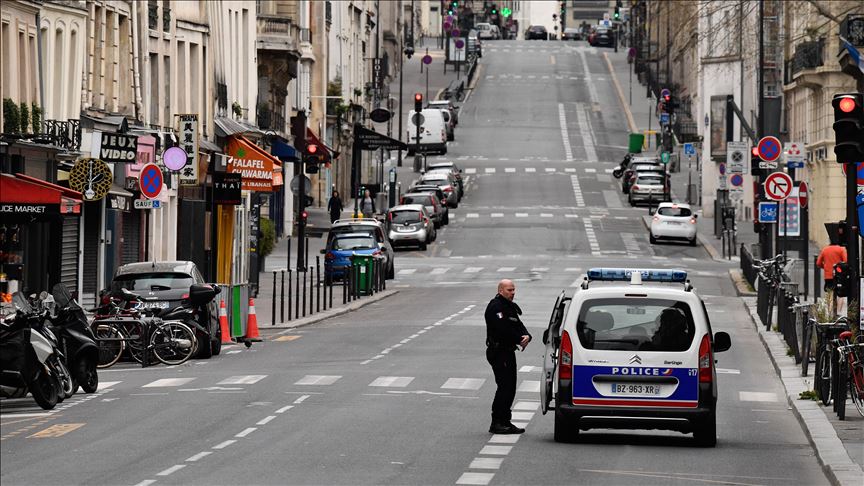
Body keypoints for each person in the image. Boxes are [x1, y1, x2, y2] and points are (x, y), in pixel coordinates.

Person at [484, 279, 531, 434]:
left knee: (510, 387)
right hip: (499, 352)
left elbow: (518, 324)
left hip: (508, 351)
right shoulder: (495, 307)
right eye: (509, 290)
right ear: (500, 290)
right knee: (504, 387)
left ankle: (505, 421)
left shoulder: (508, 307)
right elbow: (502, 329)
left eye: (513, 289)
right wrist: (519, 339)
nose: (513, 292)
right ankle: (497, 422)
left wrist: (526, 336)